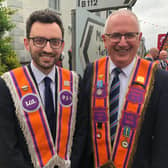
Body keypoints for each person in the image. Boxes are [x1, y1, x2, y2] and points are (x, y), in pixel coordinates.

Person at [78, 9, 168, 168]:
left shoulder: (160, 79)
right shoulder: (91, 71)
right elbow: (83, 130)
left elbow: (163, 141)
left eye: (130, 35)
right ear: (105, 40)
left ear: (139, 39)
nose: (123, 42)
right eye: (115, 36)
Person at [0, 9, 80, 168]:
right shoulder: (7, 86)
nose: (48, 49)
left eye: (54, 42)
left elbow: (81, 137)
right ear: (26, 43)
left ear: (62, 45)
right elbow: (6, 148)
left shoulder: (75, 82)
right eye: (39, 41)